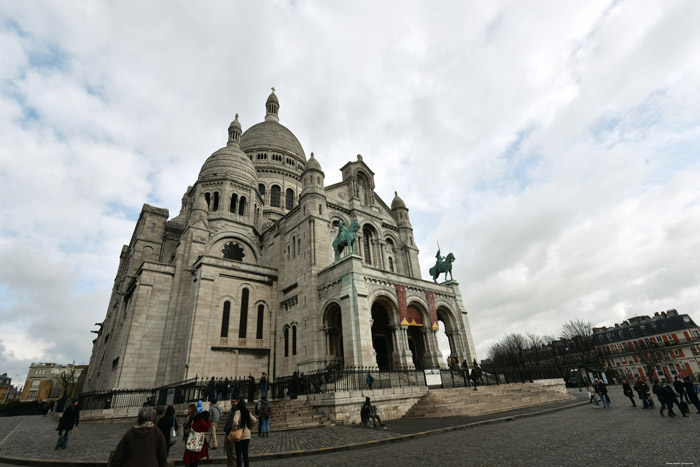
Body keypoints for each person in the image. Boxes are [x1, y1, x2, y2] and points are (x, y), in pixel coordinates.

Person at [183, 402, 210, 467]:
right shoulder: (200, 420)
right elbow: (206, 428)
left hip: (191, 438)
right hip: (197, 440)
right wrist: (208, 421)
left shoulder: (195, 418)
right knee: (195, 459)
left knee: (191, 457)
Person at [232, 399, 257, 467]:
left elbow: (235, 422)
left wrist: (235, 429)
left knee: (238, 454)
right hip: (247, 435)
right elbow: (254, 420)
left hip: (239, 435)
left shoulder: (238, 412)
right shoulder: (247, 412)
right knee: (245, 453)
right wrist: (250, 428)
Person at [223, 396, 239, 467]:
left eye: (234, 402)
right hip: (227, 433)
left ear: (237, 402)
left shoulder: (238, 411)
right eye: (232, 402)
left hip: (233, 433)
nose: (232, 403)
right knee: (228, 453)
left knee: (233, 453)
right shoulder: (231, 410)